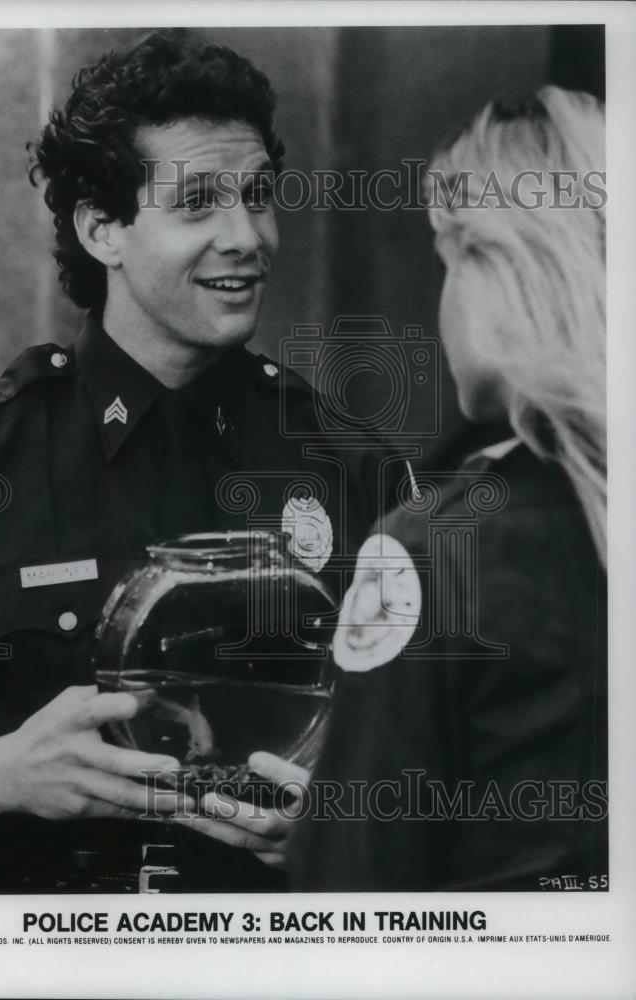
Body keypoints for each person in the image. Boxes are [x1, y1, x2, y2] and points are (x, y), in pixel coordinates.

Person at [0, 30, 388, 893]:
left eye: (258, 196)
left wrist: (344, 821)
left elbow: (444, 764)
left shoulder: (352, 469)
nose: (246, 237)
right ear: (102, 229)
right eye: (198, 202)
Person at [290, 86, 608, 891]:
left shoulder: (430, 551)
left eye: (447, 259)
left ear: (500, 266)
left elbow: (349, 905)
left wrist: (324, 832)